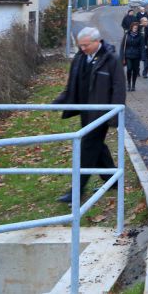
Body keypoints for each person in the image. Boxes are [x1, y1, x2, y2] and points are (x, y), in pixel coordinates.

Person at [52, 27, 125, 202]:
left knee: (87, 148)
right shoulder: (79, 58)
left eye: (86, 45)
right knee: (97, 147)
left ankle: (76, 190)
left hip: (101, 113)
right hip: (85, 111)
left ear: (97, 41)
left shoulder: (111, 59)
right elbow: (72, 84)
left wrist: (114, 115)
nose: (83, 48)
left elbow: (118, 89)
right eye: (81, 45)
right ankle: (113, 180)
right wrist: (59, 101)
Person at [120, 21, 145, 92]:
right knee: (129, 69)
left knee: (135, 70)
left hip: (136, 56)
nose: (135, 29)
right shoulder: (126, 35)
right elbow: (122, 46)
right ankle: (128, 84)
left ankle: (133, 84)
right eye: (134, 28)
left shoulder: (140, 36)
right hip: (128, 55)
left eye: (136, 28)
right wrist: (122, 56)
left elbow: (142, 47)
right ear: (131, 28)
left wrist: (143, 56)